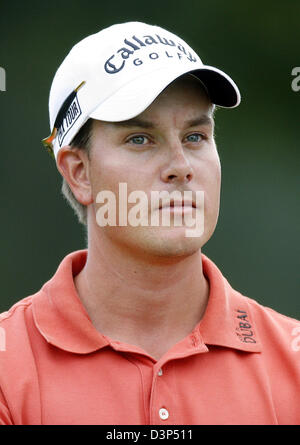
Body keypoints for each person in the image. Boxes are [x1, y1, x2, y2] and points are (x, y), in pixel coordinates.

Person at [0, 21, 299, 426]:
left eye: (195, 136)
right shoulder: (8, 366)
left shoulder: (293, 361)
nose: (181, 167)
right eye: (140, 138)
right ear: (79, 173)